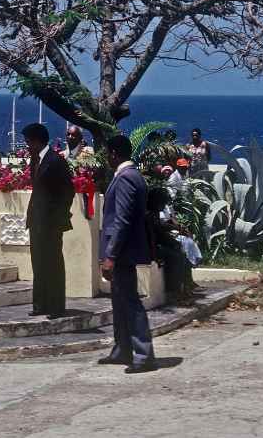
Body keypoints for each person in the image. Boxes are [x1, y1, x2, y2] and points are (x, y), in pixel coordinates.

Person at [99, 134, 157, 373]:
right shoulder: (133, 175)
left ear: (114, 153)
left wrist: (110, 255)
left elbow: (122, 220)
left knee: (130, 302)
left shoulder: (125, 178)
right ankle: (122, 348)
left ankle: (143, 354)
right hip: (124, 250)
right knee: (120, 301)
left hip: (121, 252)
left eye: (107, 154)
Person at [23, 123, 75, 318]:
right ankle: (40, 304)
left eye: (29, 142)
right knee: (39, 264)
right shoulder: (35, 160)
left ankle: (55, 306)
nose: (27, 145)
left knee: (53, 264)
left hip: (51, 224)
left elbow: (68, 192)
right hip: (36, 222)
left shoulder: (55, 161)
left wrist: (57, 216)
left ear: (37, 141)